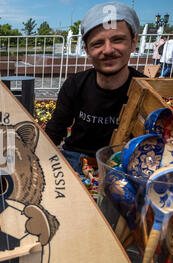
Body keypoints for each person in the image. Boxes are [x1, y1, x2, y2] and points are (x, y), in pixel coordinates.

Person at [45, 2, 145, 173]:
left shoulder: (146, 89)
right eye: (97, 43)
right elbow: (53, 132)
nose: (108, 50)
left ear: (133, 42)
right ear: (86, 50)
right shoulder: (75, 85)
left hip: (126, 168)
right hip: (75, 162)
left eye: (117, 39)